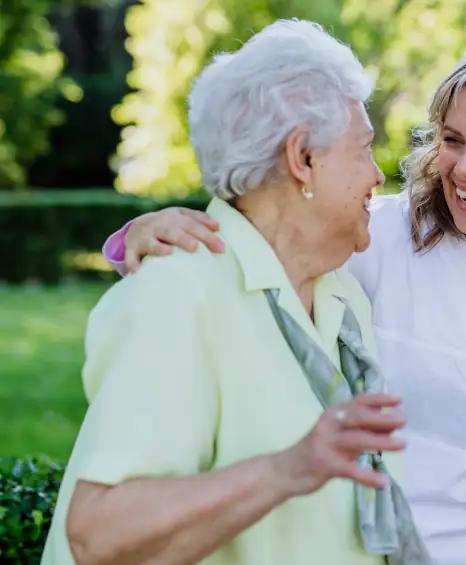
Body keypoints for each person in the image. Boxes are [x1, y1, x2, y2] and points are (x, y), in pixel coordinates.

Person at [101, 32, 466, 565]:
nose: (463, 166)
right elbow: (255, 249)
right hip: (368, 549)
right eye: (452, 139)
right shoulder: (377, 235)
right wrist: (149, 232)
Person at [41, 19, 430, 565]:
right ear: (302, 159)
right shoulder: (178, 292)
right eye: (363, 149)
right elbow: (99, 534)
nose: (375, 175)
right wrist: (290, 468)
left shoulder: (341, 297)